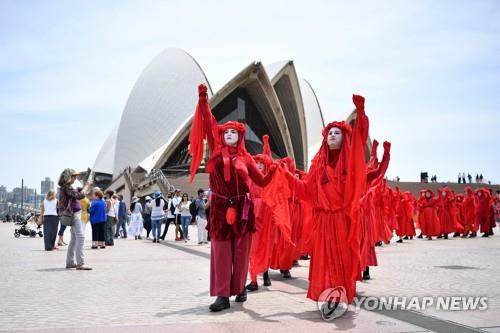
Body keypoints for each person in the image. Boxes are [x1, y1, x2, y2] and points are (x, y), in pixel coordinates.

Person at [188, 83, 276, 312]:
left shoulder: (246, 158)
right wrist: (203, 101)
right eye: (226, 132)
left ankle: (240, 288)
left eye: (233, 132)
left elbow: (262, 182)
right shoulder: (216, 153)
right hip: (219, 208)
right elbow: (208, 123)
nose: (229, 134)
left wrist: (275, 170)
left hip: (243, 208)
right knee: (221, 252)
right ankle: (222, 295)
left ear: (240, 136)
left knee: (241, 251)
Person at [284, 94, 368, 306]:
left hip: (340, 219)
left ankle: (339, 293)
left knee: (340, 258)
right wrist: (285, 176)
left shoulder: (350, 164)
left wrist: (361, 113)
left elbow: (359, 142)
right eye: (329, 132)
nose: (332, 135)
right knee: (323, 259)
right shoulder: (318, 166)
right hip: (322, 221)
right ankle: (326, 293)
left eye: (337, 132)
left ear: (344, 137)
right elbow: (305, 190)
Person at [58, 168, 92, 270]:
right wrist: (86, 186)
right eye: (74, 176)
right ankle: (80, 263)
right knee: (80, 237)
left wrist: (83, 188)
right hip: (74, 214)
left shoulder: (66, 187)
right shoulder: (66, 187)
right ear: (69, 177)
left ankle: (70, 262)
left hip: (74, 213)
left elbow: (76, 192)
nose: (75, 178)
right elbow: (78, 196)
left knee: (74, 239)